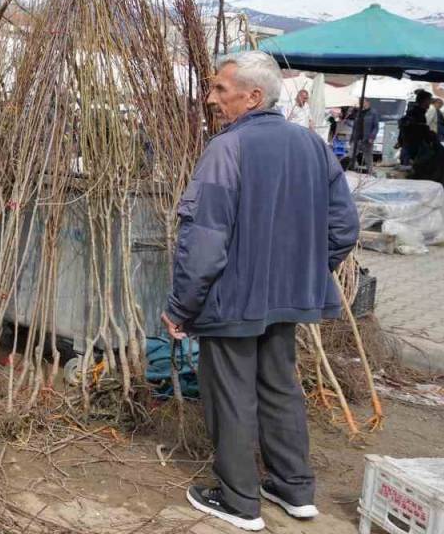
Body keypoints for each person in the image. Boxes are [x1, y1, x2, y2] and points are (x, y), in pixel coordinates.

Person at [162, 51, 359, 531]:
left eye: (220, 90)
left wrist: (181, 307)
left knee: (230, 395)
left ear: (253, 97)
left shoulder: (227, 150)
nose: (211, 99)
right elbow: (344, 227)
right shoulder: (312, 146)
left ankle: (238, 500)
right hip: (286, 299)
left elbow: (204, 240)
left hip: (232, 301)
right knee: (279, 387)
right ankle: (294, 490)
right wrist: (304, 270)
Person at [349, 99, 378, 170]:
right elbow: (354, 126)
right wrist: (351, 138)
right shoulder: (358, 112)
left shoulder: (373, 112)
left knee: (368, 157)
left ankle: (370, 172)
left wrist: (372, 137)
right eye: (360, 102)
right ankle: (354, 168)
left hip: (367, 139)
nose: (361, 104)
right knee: (350, 155)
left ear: (368, 102)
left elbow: (376, 127)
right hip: (356, 138)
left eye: (363, 102)